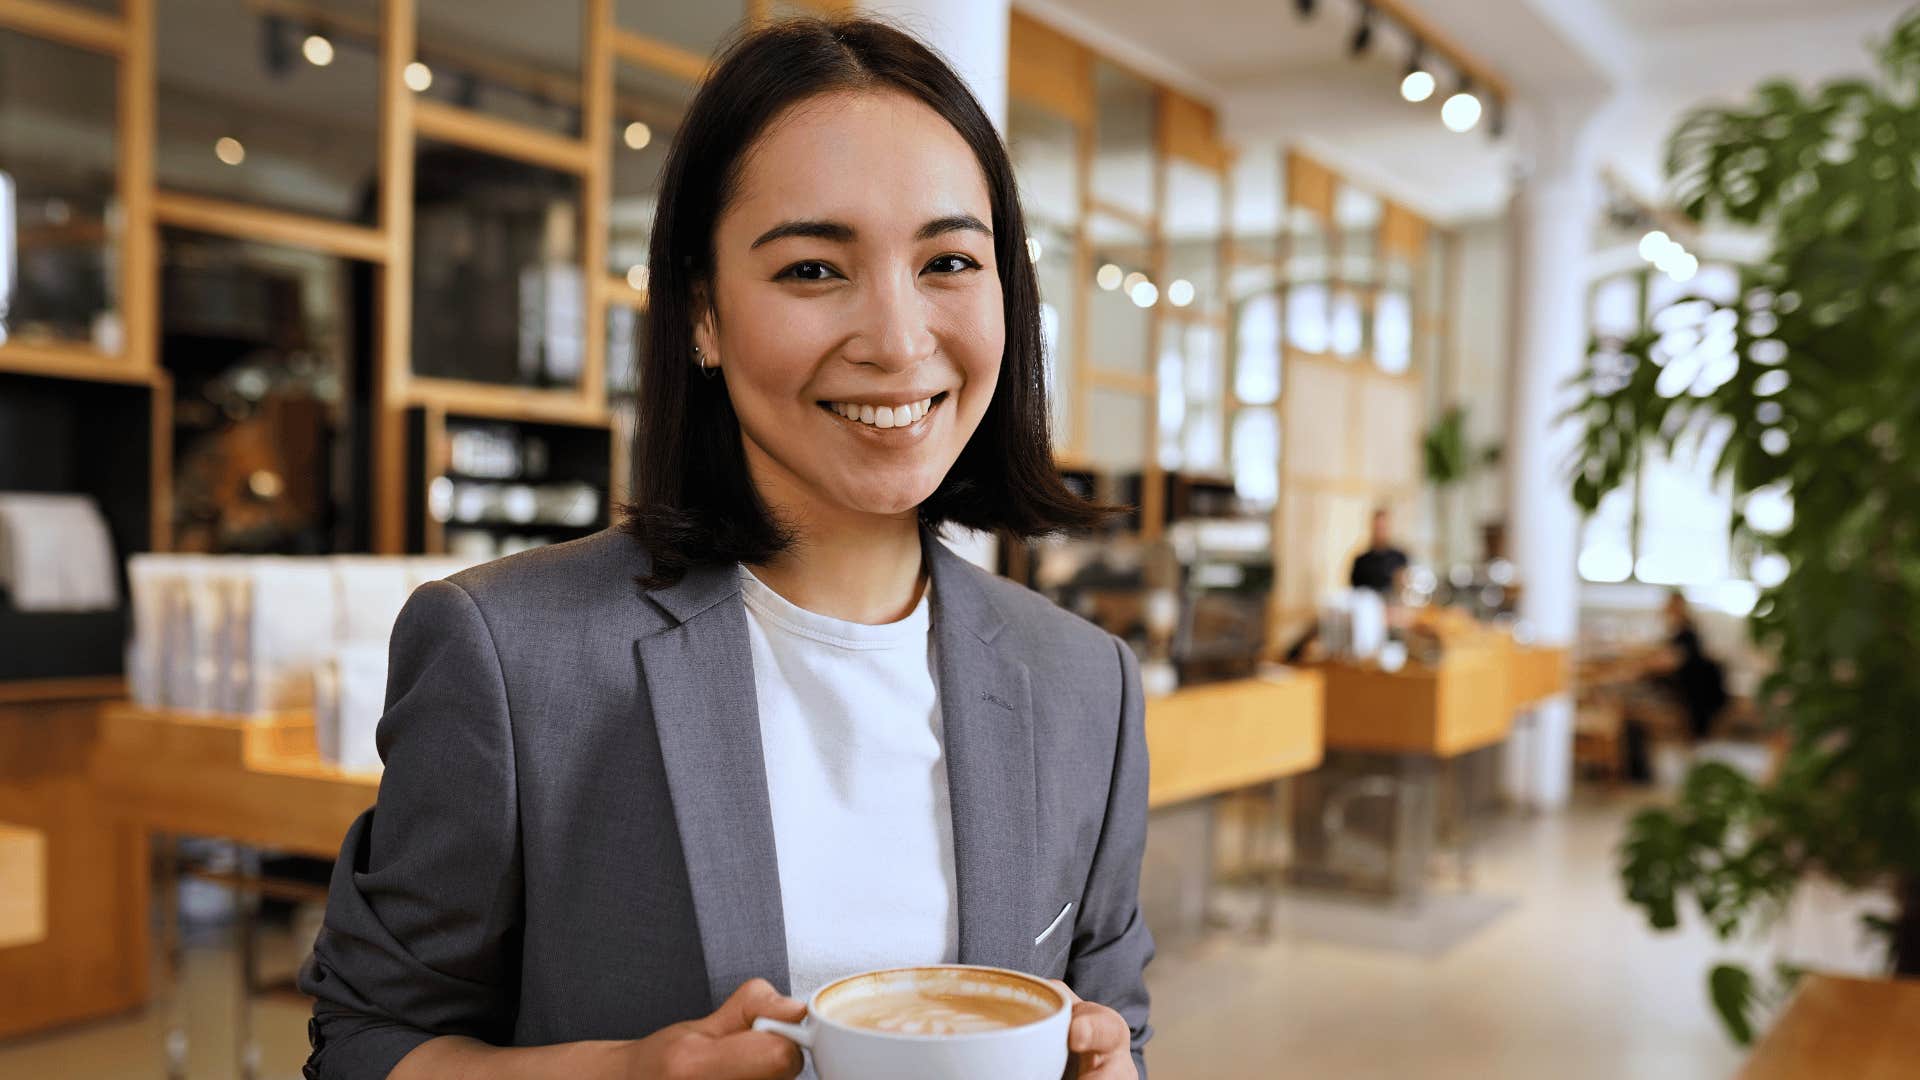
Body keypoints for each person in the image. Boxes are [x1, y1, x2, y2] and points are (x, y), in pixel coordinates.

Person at [298, 16, 1152, 1080]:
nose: (896, 338)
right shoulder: (512, 657)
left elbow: (1116, 1021)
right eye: (810, 268)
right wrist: (623, 1074)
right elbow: (366, 1045)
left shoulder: (1086, 688)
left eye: (947, 260)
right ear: (702, 309)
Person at [1349, 506, 1409, 598]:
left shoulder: (1400, 558)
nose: (1380, 532)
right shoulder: (1361, 561)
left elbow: (1405, 589)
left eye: (1383, 527)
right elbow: (1355, 593)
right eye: (1378, 527)